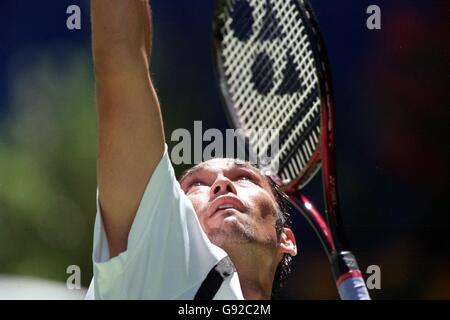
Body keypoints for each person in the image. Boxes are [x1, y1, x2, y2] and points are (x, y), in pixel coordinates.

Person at [85, 0, 297, 300]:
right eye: (196, 184)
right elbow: (123, 60)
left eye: (246, 178)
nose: (222, 184)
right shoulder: (159, 256)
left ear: (285, 240)